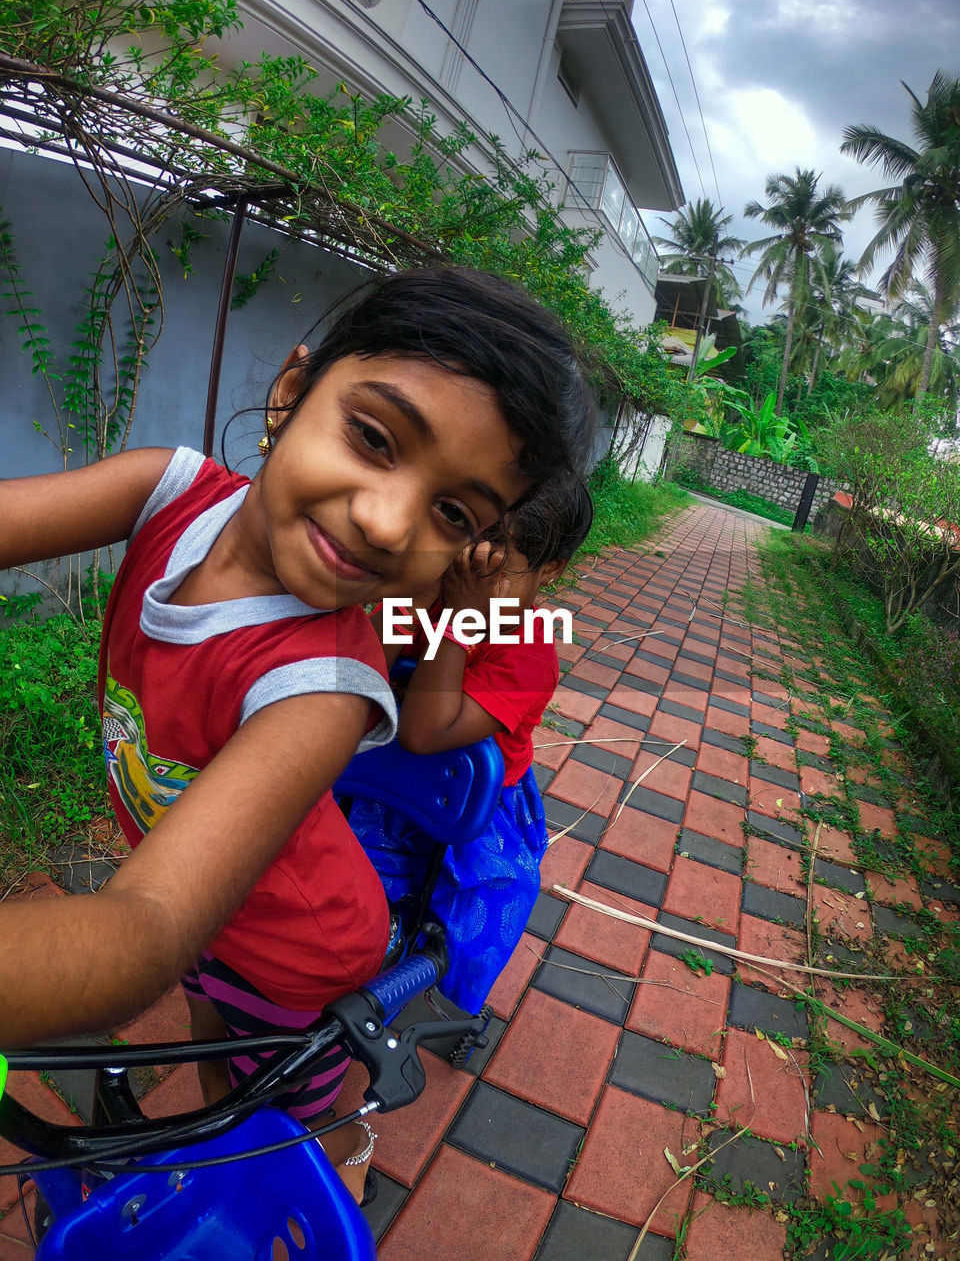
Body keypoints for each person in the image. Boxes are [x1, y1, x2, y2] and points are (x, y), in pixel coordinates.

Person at [0, 267, 595, 1198]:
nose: (387, 520)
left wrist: (461, 616)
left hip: (294, 949)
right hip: (209, 892)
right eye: (373, 436)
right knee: (217, 1055)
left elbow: (143, 930)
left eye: (453, 514)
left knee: (286, 1127)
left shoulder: (326, 688)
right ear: (291, 390)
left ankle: (337, 1176)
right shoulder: (167, 489)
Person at [351, 481, 594, 1016]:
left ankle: (431, 987)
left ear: (548, 569)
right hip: (377, 787)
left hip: (469, 810)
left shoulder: (528, 654)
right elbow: (356, 669)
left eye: (497, 563)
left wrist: (459, 624)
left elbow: (426, 732)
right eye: (466, 550)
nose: (472, 575)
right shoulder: (435, 597)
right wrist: (417, 597)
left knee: (470, 912)